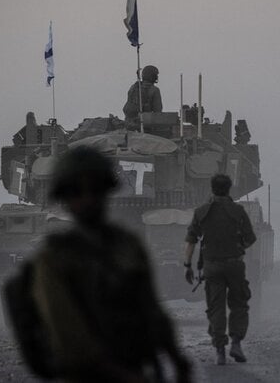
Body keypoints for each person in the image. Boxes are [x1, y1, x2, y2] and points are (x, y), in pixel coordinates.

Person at [27, 146, 191, 382]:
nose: (88, 199)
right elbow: (67, 335)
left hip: (134, 364)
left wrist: (176, 358)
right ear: (66, 198)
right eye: (77, 192)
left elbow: (150, 308)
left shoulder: (128, 245)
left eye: (96, 190)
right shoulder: (54, 259)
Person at [183, 173, 257, 365]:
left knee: (216, 308)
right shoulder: (238, 210)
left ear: (212, 188)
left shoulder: (201, 212)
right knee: (239, 305)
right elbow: (250, 238)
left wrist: (187, 265)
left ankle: (220, 351)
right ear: (229, 188)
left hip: (211, 266)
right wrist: (238, 247)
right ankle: (236, 343)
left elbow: (191, 241)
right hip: (234, 264)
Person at [123, 65, 163, 130]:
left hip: (129, 124)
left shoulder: (133, 87)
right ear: (153, 76)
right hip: (145, 125)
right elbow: (158, 111)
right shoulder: (154, 90)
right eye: (156, 75)